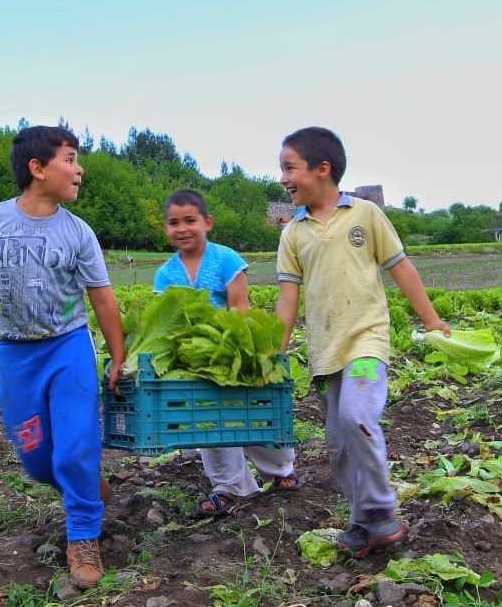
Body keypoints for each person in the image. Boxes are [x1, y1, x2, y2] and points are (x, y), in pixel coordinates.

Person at [0, 125, 126, 590]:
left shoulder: (78, 232)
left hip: (68, 348)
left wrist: (118, 356)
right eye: (70, 159)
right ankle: (84, 486)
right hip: (15, 355)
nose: (79, 169)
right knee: (37, 460)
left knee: (76, 446)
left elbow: (101, 297)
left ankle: (83, 537)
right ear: (38, 169)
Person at [272, 127, 450, 559]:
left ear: (322, 170)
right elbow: (288, 298)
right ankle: (363, 518)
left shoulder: (366, 215)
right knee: (337, 444)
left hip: (367, 345)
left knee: (358, 417)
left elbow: (400, 267)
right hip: (325, 354)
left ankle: (381, 510)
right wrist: (274, 353)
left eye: (289, 168)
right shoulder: (293, 233)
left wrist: (431, 319)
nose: (282, 178)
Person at [151, 189, 299, 518]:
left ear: (207, 222)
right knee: (210, 423)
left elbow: (240, 310)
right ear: (166, 229)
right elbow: (164, 320)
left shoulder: (226, 260)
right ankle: (230, 488)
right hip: (194, 362)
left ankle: (280, 471)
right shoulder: (165, 274)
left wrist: (244, 354)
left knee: (252, 412)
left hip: (235, 352)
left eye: (190, 220)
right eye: (174, 223)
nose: (183, 228)